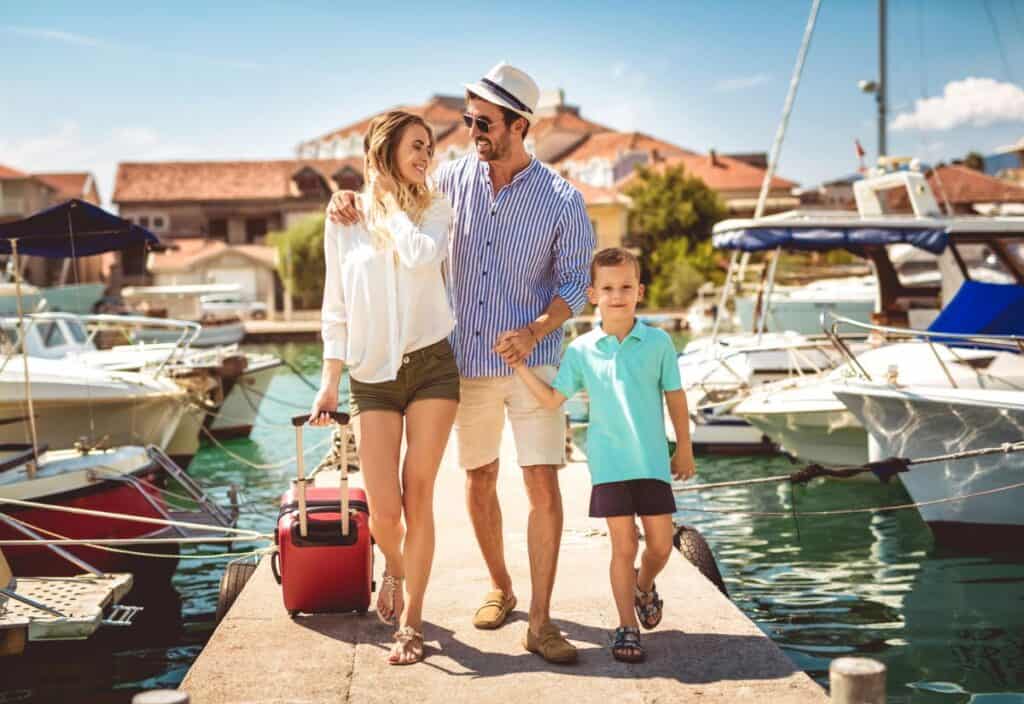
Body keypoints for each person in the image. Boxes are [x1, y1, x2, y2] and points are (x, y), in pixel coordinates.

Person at [329, 62, 594, 664]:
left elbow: (578, 284)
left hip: (535, 365)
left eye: (483, 121)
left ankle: (543, 621)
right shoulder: (448, 181)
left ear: (518, 125)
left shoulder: (561, 197)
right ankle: (501, 586)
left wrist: (535, 329)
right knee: (478, 480)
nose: (471, 129)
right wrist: (349, 195)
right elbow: (395, 197)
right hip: (465, 364)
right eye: (468, 119)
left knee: (541, 483)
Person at [310, 110, 459, 666]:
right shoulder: (343, 218)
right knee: (384, 511)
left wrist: (390, 201)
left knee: (418, 493)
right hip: (370, 378)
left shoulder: (437, 208)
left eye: (430, 148)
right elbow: (335, 307)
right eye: (417, 146)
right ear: (387, 149)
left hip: (431, 368)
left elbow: (422, 255)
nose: (426, 156)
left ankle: (412, 624)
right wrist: (329, 383)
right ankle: (394, 566)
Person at [505, 247, 696, 663]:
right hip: (609, 467)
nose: (617, 295)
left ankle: (644, 585)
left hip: (652, 464)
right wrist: (520, 367)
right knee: (623, 546)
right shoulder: (581, 350)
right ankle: (626, 625)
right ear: (592, 294)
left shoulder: (658, 342)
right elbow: (554, 400)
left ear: (640, 291)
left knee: (661, 546)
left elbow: (676, 398)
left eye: (626, 286)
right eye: (608, 288)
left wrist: (684, 448)